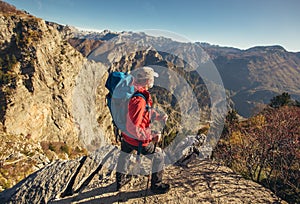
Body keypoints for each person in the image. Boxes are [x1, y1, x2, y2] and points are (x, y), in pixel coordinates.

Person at [116, 66, 170, 194]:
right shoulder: (139, 99)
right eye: (152, 78)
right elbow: (134, 127)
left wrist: (158, 116)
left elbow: (143, 113)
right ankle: (156, 186)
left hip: (126, 136)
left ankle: (120, 182)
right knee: (158, 157)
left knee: (124, 155)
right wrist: (151, 136)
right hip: (136, 139)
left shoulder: (133, 91)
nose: (153, 81)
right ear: (147, 80)